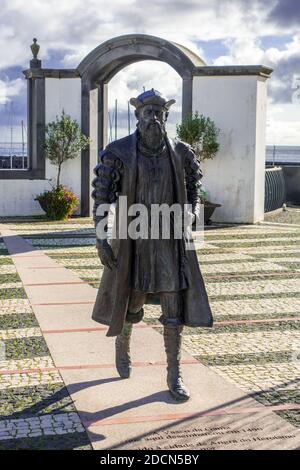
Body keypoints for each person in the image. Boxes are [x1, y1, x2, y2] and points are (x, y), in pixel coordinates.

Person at [91, 89, 213, 402]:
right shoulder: (118, 151)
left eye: (160, 113)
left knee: (173, 311)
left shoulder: (181, 152)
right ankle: (123, 342)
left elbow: (196, 188)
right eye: (149, 113)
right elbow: (102, 196)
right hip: (134, 240)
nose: (154, 119)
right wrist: (102, 237)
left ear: (166, 117)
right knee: (132, 305)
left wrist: (192, 211)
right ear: (138, 116)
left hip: (170, 242)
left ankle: (174, 374)